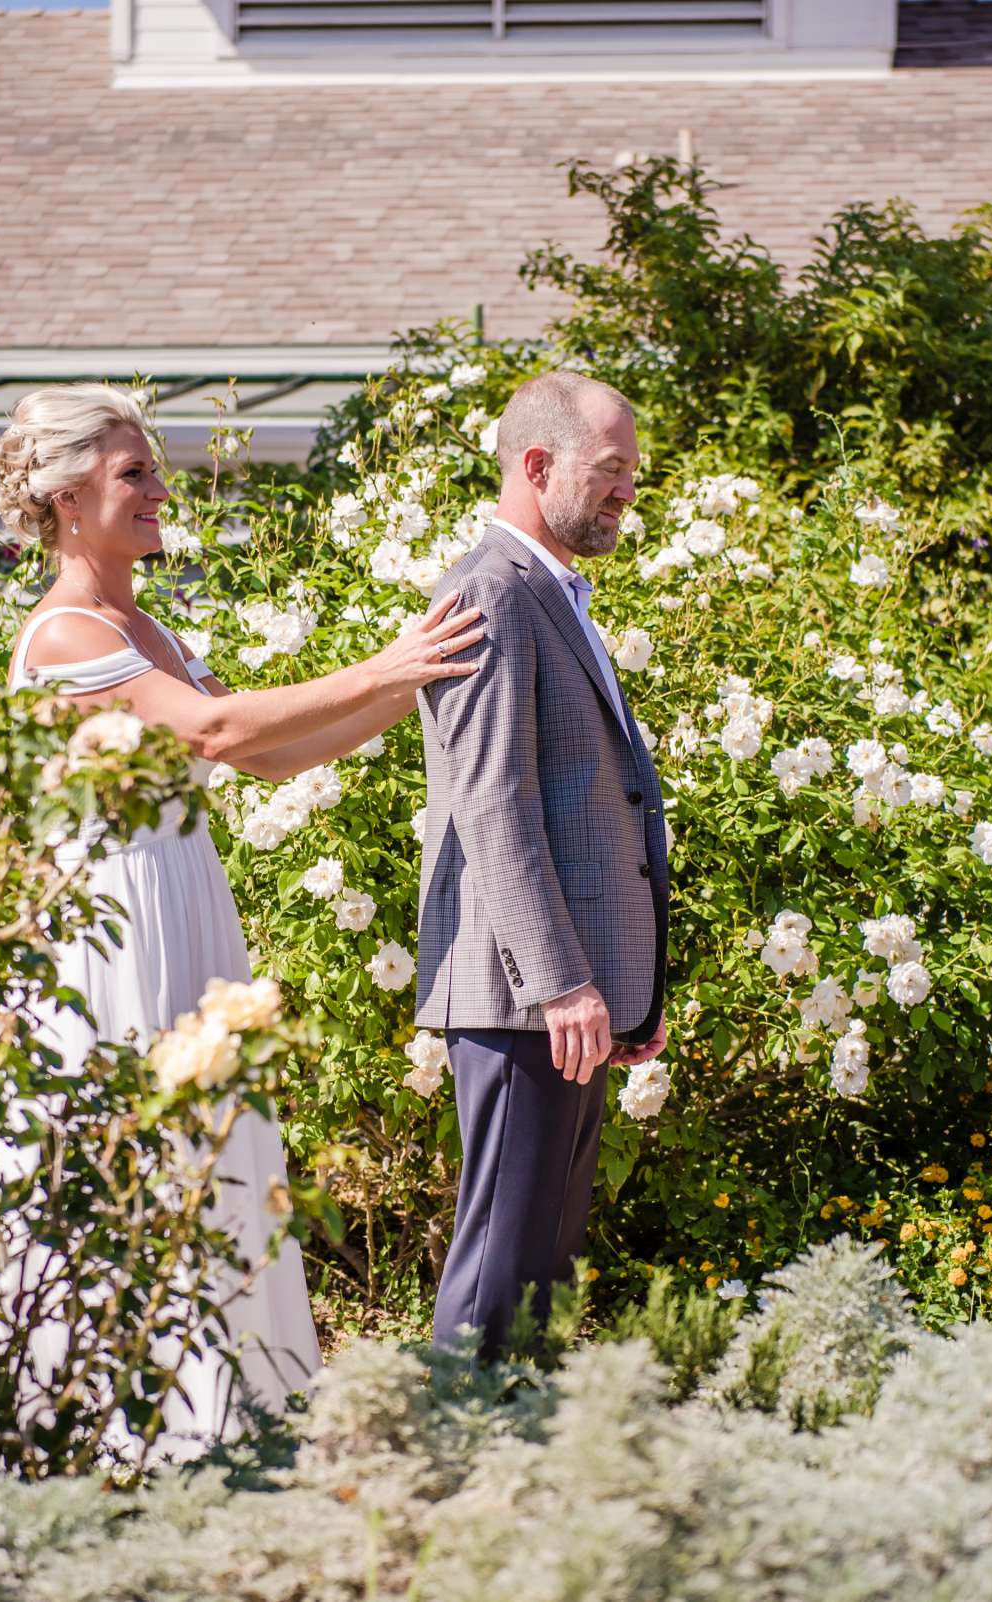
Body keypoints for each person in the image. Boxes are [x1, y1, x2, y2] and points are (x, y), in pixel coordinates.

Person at [0, 382, 484, 1449]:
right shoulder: (66, 635)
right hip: (106, 924)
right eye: (136, 474)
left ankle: (225, 1418)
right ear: (69, 499)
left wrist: (420, 683)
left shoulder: (143, 621)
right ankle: (106, 1427)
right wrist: (386, 662)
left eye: (154, 469)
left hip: (180, 899)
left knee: (206, 1154)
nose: (161, 490)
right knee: (134, 1155)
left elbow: (268, 755)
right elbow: (212, 730)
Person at [415, 371, 670, 1357]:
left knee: (541, 1277)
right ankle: (454, 1470)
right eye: (609, 472)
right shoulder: (489, 594)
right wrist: (564, 983)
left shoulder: (551, 595)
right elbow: (492, 804)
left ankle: (518, 1479)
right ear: (536, 464)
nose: (625, 493)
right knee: (499, 1270)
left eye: (631, 476)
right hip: (521, 995)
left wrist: (621, 992)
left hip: (566, 999)